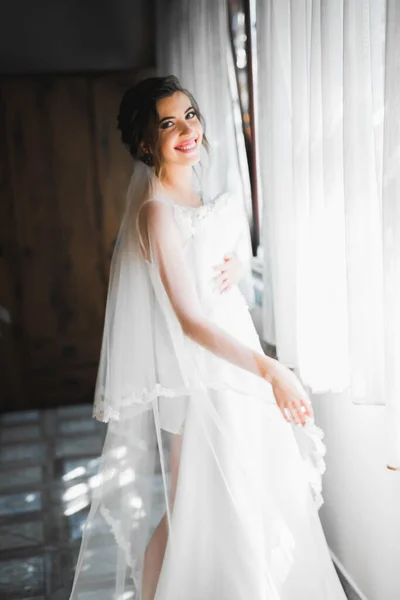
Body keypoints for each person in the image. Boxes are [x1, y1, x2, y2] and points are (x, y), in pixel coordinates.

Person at [69, 75, 347, 600]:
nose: (186, 130)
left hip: (233, 364)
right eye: (168, 123)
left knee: (215, 503)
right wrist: (272, 369)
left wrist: (239, 261)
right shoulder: (155, 211)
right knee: (201, 507)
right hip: (208, 376)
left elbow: (221, 252)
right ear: (147, 141)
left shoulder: (195, 188)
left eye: (190, 115)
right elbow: (190, 321)